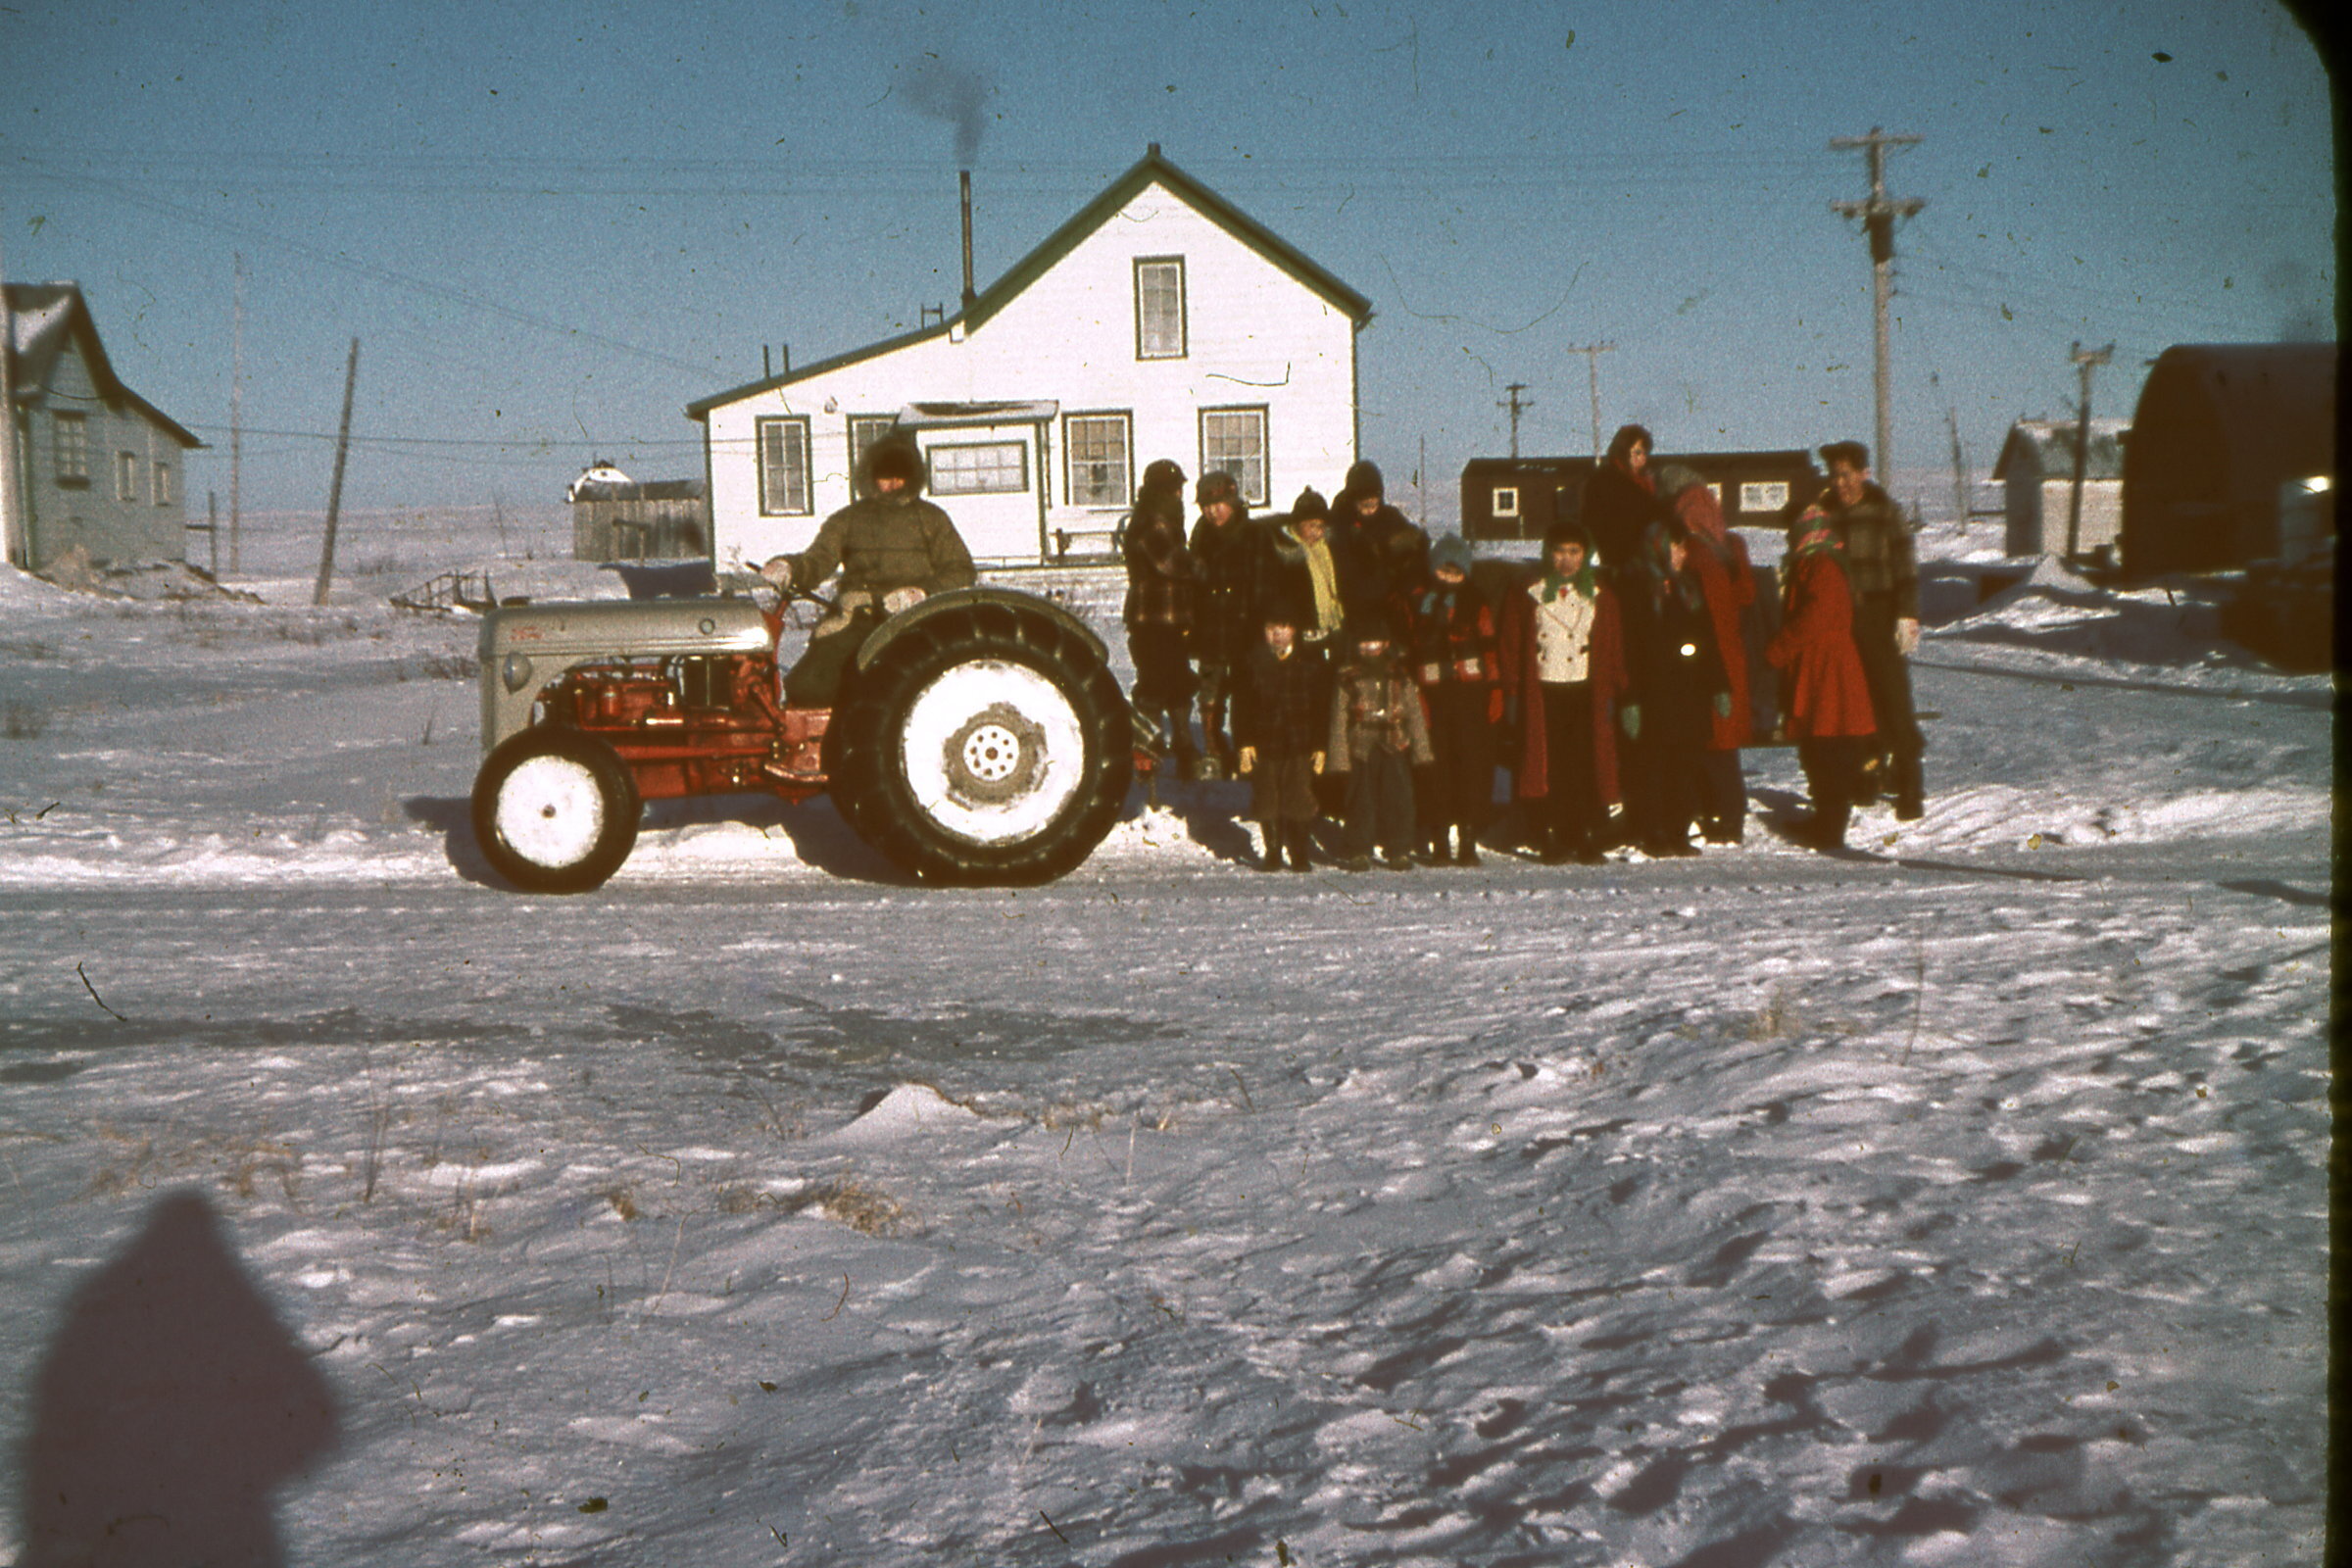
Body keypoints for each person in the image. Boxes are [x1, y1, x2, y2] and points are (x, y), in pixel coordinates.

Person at [760, 437, 975, 705]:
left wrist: (921, 593)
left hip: (915, 618)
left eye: (900, 477)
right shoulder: (848, 519)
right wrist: (790, 567)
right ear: (871, 478)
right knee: (810, 686)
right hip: (858, 616)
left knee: (909, 688)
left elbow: (961, 569)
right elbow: (819, 558)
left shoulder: (932, 518)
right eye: (886, 477)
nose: (893, 484)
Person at [1498, 521, 1629, 864]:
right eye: (1559, 552)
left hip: (1585, 690)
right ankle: (1548, 835)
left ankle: (1580, 833)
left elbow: (1613, 646)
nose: (1567, 561)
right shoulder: (1528, 592)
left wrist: (1619, 691)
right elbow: (1511, 644)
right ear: (1548, 553)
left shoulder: (1601, 593)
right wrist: (1511, 691)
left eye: (1574, 552)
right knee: (1546, 766)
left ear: (1585, 555)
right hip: (1543, 691)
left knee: (1583, 765)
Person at [1812, 440, 1925, 818]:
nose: (1840, 483)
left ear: (1864, 473)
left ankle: (1910, 783)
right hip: (1840, 621)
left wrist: (1907, 615)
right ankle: (1867, 775)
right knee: (1855, 702)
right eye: (1834, 476)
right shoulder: (1824, 514)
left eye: (1846, 475)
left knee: (1893, 700)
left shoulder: (1884, 511)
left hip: (1878, 613)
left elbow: (1905, 566)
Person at [1616, 516, 1732, 856]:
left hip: (1689, 695)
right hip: (1653, 697)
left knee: (1684, 765)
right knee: (1653, 767)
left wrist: (1719, 686)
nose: (1681, 553)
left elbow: (1708, 641)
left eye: (1683, 546)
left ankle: (1678, 831)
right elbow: (1628, 650)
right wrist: (1630, 699)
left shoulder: (1690, 588)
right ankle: (1654, 832)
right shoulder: (1636, 589)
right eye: (1675, 546)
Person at [1767, 507, 1879, 851]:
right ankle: (1825, 818)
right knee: (1821, 744)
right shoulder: (1816, 563)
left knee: (1828, 745)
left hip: (1826, 668)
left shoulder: (1822, 566)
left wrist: (1780, 648)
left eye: (1793, 530)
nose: (1789, 537)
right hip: (1822, 666)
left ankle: (1829, 826)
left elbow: (1816, 615)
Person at [1654, 466, 1756, 842]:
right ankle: (1726, 815)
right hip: (1726, 655)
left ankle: (1726, 817)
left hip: (1704, 660)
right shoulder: (1728, 545)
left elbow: (1698, 613)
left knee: (1710, 743)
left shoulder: (1691, 553)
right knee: (1720, 746)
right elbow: (1746, 595)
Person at [1408, 533, 1501, 865]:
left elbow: (1490, 651)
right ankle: (1439, 842)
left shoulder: (1477, 603)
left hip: (1470, 695)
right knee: (1436, 769)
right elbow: (1411, 653)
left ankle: (1468, 840)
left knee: (1472, 769)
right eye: (1443, 572)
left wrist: (1494, 693)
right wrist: (1414, 697)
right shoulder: (1419, 604)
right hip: (1432, 695)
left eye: (1456, 572)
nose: (1449, 579)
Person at [1325, 614, 1433, 871]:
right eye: (1364, 642)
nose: (1370, 647)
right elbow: (1338, 719)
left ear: (1385, 644)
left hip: (1395, 744)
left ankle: (1399, 848)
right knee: (1360, 799)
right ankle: (1359, 849)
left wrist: (1423, 753)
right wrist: (1338, 759)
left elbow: (1415, 715)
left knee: (1399, 798)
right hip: (1360, 747)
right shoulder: (1346, 676)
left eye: (1376, 642)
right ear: (1355, 645)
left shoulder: (1399, 674)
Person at [1232, 602, 1330, 872]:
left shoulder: (1310, 662)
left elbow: (1321, 707)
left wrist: (1321, 746)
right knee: (1266, 799)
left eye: (1284, 628)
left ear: (1294, 631)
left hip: (1300, 744)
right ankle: (1273, 851)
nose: (1278, 635)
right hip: (1264, 744)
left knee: (1299, 799)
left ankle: (1299, 853)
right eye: (1271, 629)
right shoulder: (1251, 662)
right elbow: (1242, 707)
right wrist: (1244, 744)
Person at [1122, 458, 1203, 776]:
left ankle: (1179, 746)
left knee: (1177, 682)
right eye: (1175, 489)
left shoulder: (1161, 518)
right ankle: (1152, 749)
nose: (1180, 495)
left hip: (1168, 618)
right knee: (1156, 686)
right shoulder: (1153, 521)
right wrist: (1200, 566)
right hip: (1153, 618)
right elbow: (1171, 563)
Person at [1187, 469, 1254, 780]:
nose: (1213, 512)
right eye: (1206, 506)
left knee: (1246, 692)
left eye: (1219, 505)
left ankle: (1246, 751)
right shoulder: (1200, 537)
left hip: (1244, 628)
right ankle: (1214, 749)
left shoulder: (1250, 536)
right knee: (1210, 692)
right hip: (1211, 628)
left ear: (1233, 502)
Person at [1330, 460, 1431, 635]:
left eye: (1374, 504)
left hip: (1392, 599)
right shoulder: (1341, 524)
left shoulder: (1390, 517)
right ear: (1353, 501)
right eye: (1364, 505)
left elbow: (1417, 542)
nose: (1370, 510)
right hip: (1359, 603)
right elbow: (1346, 568)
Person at [1581, 423, 1671, 580]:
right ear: (1622, 452)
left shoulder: (1647, 481)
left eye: (1644, 453)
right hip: (1621, 556)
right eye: (1636, 453)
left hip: (1648, 551)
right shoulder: (1607, 480)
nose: (1641, 458)